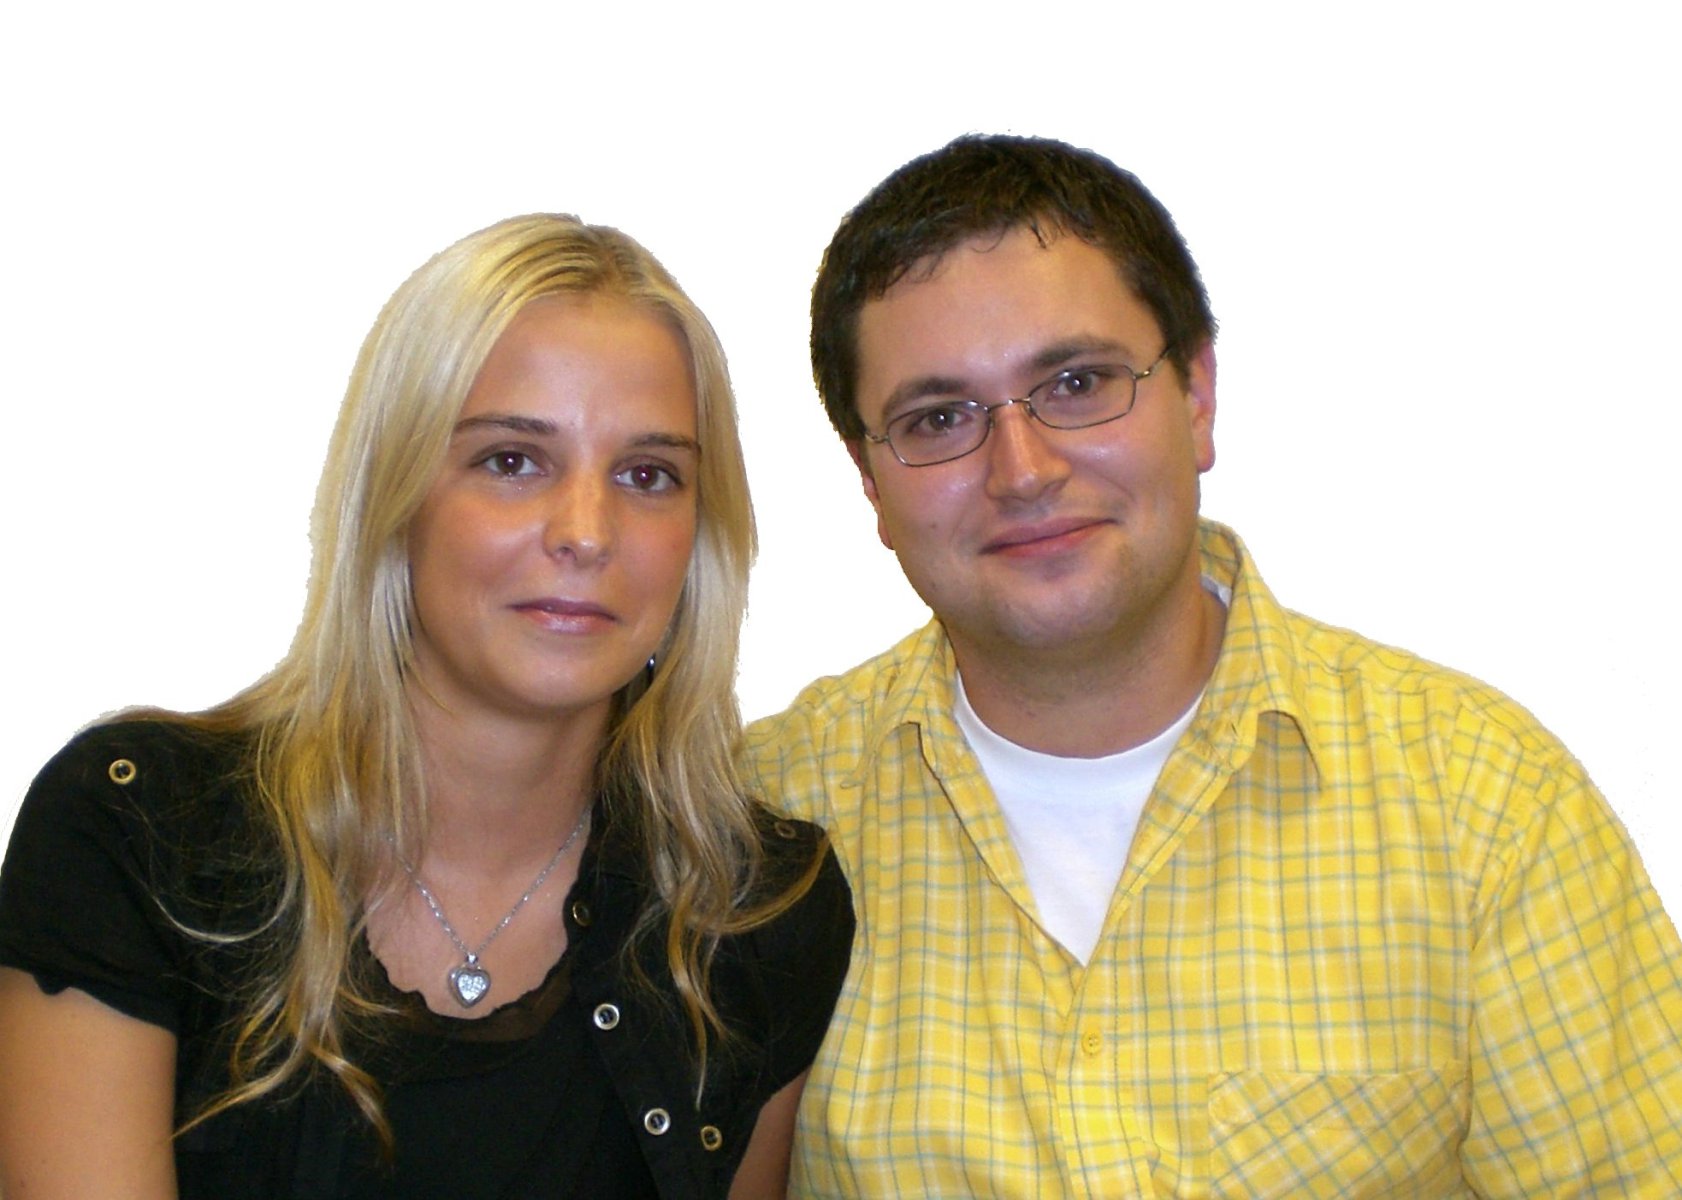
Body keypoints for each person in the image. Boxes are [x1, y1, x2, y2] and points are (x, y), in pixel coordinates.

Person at [743, 134, 1682, 1197]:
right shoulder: (759, 828)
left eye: (1077, 383)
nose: (1023, 470)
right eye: (938, 418)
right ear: (870, 481)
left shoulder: (1481, 804)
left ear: (1196, 396)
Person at [0, 214, 853, 1199]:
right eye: (512, 460)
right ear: (395, 496)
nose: (586, 532)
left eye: (647, 475)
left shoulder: (755, 916)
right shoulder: (142, 833)